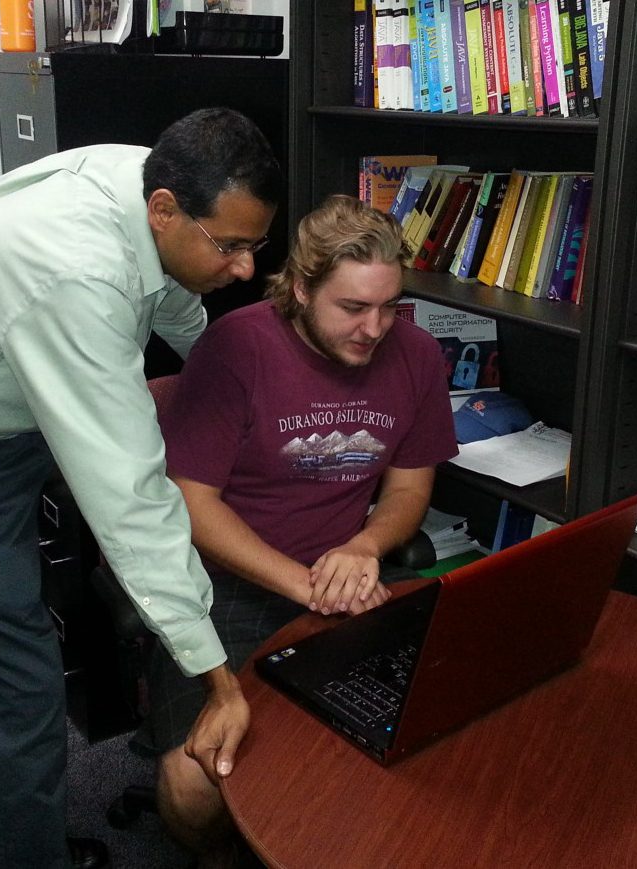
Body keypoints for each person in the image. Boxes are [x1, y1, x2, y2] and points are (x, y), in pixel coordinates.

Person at [0, 107, 283, 869]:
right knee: (13, 702)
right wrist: (218, 679)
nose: (245, 269)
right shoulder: (76, 274)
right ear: (165, 211)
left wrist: (245, 383)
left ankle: (1, 844)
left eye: (256, 245)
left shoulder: (149, 176)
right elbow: (133, 505)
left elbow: (175, 298)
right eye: (233, 247)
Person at [135, 195, 458, 867]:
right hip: (231, 583)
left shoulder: (417, 354)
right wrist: (307, 584)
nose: (374, 328)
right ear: (302, 288)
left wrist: (364, 545)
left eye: (388, 306)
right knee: (193, 783)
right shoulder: (236, 346)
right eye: (352, 308)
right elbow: (191, 505)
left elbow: (408, 489)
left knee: (447, 715)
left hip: (348, 571)